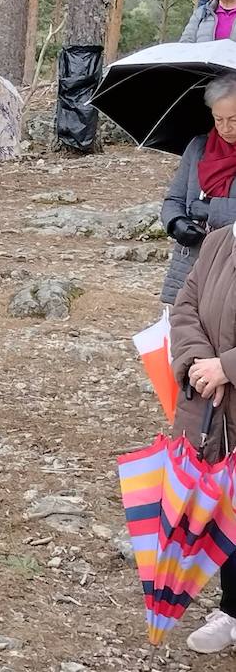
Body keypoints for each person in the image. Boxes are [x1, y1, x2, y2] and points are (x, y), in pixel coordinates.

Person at [169, 223, 236, 654]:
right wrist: (197, 362)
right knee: (228, 510)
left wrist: (227, 366)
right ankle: (232, 609)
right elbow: (185, 307)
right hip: (217, 410)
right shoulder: (219, 240)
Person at [160, 75, 236, 305]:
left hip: (231, 259)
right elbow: (174, 199)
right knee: (186, 329)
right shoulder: (198, 147)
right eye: (218, 119)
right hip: (192, 259)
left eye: (233, 119)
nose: (225, 128)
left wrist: (212, 209)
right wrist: (175, 223)